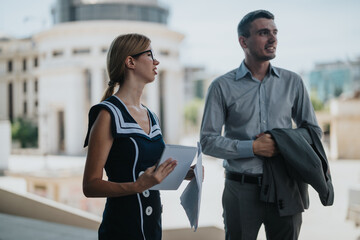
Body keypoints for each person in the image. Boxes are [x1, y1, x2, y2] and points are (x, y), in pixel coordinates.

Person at [200, 10, 323, 240]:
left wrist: (282, 141)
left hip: (286, 187)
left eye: (275, 32)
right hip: (240, 189)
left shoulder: (293, 82)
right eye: (264, 33)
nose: (273, 39)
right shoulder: (221, 87)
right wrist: (253, 148)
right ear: (243, 41)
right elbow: (208, 142)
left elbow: (314, 132)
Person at [83, 33, 191, 240]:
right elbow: (90, 185)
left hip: (152, 227)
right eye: (150, 54)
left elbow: (150, 171)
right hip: (121, 228)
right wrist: (136, 186)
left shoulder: (152, 116)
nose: (156, 61)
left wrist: (182, 171)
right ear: (130, 61)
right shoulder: (107, 114)